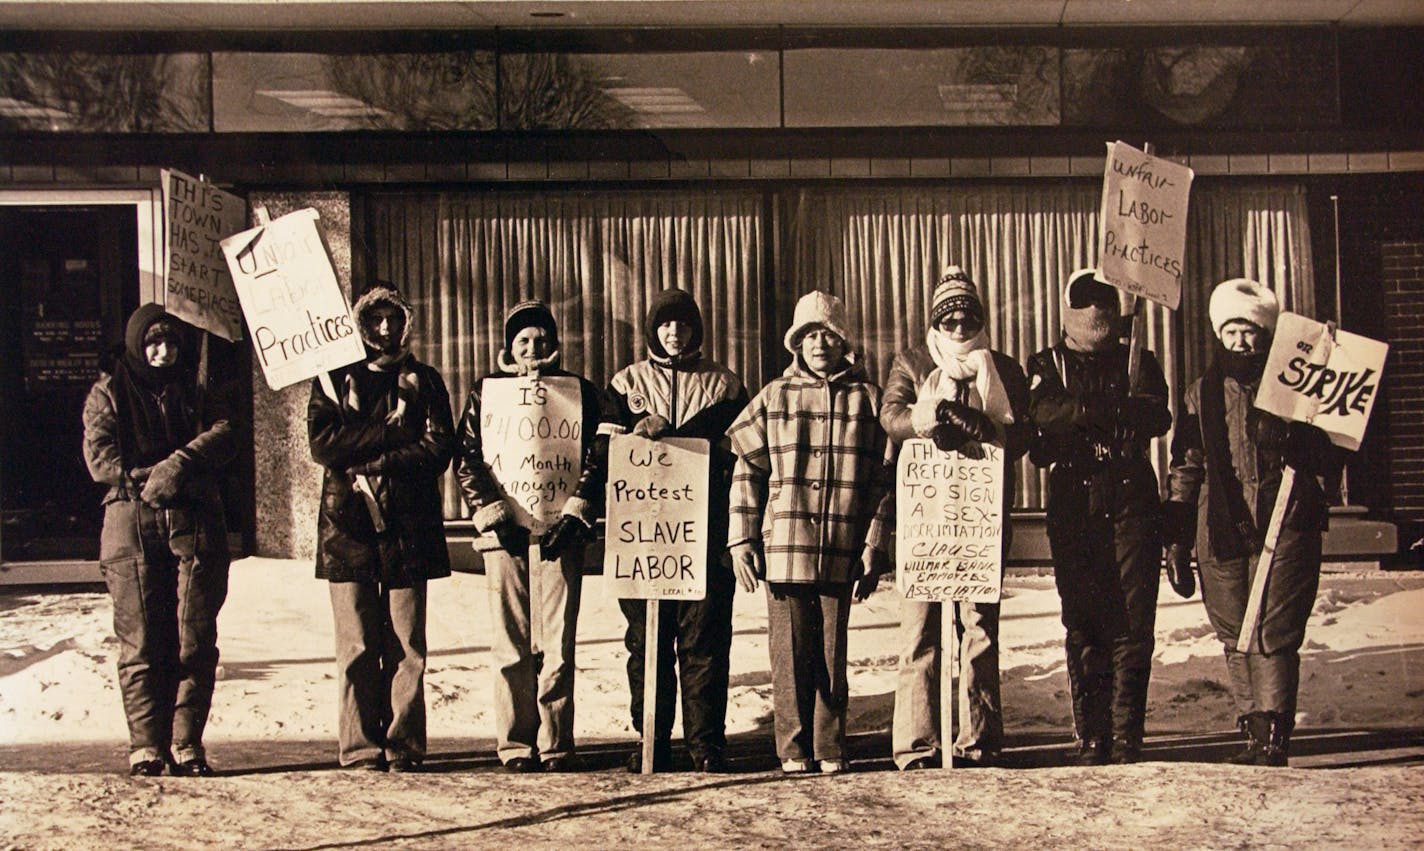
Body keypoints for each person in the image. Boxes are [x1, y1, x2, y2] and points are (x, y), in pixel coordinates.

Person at [1164, 279, 1340, 767]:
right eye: (1233, 332)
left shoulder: (1297, 386)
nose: (1243, 343)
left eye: (1253, 333)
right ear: (1220, 334)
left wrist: (1310, 443)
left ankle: (1275, 735)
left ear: (1268, 336)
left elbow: (1336, 447)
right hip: (1219, 526)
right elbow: (1186, 465)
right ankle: (1253, 728)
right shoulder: (1201, 394)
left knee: (1274, 630)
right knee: (1235, 629)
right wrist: (1177, 536)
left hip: (1285, 520)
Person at [726, 290, 892, 775]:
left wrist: (874, 544)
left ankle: (829, 744)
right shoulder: (775, 396)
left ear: (844, 342)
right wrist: (742, 540)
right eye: (809, 335)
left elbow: (883, 482)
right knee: (789, 650)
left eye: (829, 335)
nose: (820, 344)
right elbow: (747, 472)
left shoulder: (868, 399)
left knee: (831, 650)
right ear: (796, 343)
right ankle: (793, 746)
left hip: (842, 545)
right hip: (785, 546)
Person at [880, 267, 1034, 770]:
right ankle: (916, 745)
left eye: (968, 316)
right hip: (926, 520)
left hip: (978, 523)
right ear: (936, 321)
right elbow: (892, 417)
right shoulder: (911, 361)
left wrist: (989, 426)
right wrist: (932, 417)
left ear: (980, 320)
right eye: (949, 317)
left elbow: (1024, 437)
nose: (959, 325)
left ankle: (980, 740)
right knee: (919, 634)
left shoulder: (1003, 370)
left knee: (979, 633)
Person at [456, 299, 618, 773]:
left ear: (554, 344)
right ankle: (514, 744)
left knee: (558, 642)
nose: (533, 348)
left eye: (542, 339)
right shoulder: (487, 392)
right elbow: (467, 454)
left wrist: (578, 509)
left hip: (560, 531)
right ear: (509, 346)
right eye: (523, 340)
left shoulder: (577, 393)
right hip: (504, 533)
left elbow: (599, 449)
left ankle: (556, 742)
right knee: (510, 640)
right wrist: (491, 511)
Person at [82, 304, 237, 777]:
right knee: (142, 641)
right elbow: (100, 459)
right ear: (136, 344)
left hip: (195, 517)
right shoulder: (106, 393)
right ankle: (147, 746)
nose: (163, 352)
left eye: (170, 342)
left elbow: (226, 432)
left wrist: (181, 465)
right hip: (131, 520)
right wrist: (147, 478)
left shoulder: (197, 389)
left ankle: (186, 742)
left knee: (194, 636)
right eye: (152, 343)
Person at [307, 285, 457, 773]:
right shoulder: (334, 381)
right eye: (376, 320)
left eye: (395, 319)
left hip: (407, 528)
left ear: (406, 322)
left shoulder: (426, 381)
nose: (386, 329)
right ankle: (359, 747)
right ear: (362, 324)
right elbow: (325, 444)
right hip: (347, 527)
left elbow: (437, 449)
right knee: (356, 645)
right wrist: (392, 433)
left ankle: (403, 744)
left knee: (406, 645)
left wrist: (376, 460)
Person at [1027, 268, 1172, 765]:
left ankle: (1127, 731)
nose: (1094, 313)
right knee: (1084, 617)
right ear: (1068, 309)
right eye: (1083, 302)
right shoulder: (1048, 362)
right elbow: (1044, 412)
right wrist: (1104, 409)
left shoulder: (1138, 359)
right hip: (1074, 498)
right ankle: (1092, 732)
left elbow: (1156, 414)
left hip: (1131, 496)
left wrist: (1107, 411)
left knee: (1133, 618)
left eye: (1102, 302)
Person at [607, 290, 749, 773]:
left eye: (683, 326)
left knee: (704, 641)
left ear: (696, 331)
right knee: (647, 641)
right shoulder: (627, 383)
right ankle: (651, 740)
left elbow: (743, 453)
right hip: (644, 537)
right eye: (665, 326)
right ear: (652, 330)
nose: (674, 334)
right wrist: (633, 431)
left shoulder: (725, 385)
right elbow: (601, 448)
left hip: (704, 536)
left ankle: (705, 742)